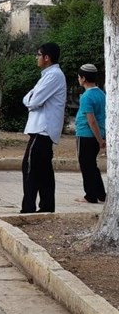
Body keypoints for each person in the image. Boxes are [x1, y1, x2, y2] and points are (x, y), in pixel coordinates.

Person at [21, 42, 67, 214]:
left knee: (30, 168)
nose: (36, 58)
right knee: (44, 171)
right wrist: (32, 100)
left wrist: (32, 100)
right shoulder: (48, 75)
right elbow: (29, 98)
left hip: (43, 129)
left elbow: (33, 100)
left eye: (39, 55)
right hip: (42, 129)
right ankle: (46, 208)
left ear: (47, 57)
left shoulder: (53, 75)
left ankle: (28, 209)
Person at [74, 64, 106, 204]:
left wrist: (99, 140)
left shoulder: (86, 97)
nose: (78, 79)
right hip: (98, 134)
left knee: (86, 166)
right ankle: (101, 194)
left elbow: (91, 120)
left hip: (86, 135)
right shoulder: (101, 94)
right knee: (92, 165)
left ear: (83, 78)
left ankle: (90, 196)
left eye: (79, 77)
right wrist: (101, 138)